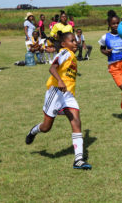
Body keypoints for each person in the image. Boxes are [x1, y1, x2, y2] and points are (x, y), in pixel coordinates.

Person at [25, 32, 92, 170]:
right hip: (55, 92)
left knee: (76, 120)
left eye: (76, 40)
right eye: (72, 41)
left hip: (68, 95)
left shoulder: (72, 56)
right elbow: (52, 68)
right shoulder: (64, 53)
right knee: (46, 127)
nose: (76, 43)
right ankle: (33, 131)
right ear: (63, 44)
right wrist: (60, 81)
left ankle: (78, 159)